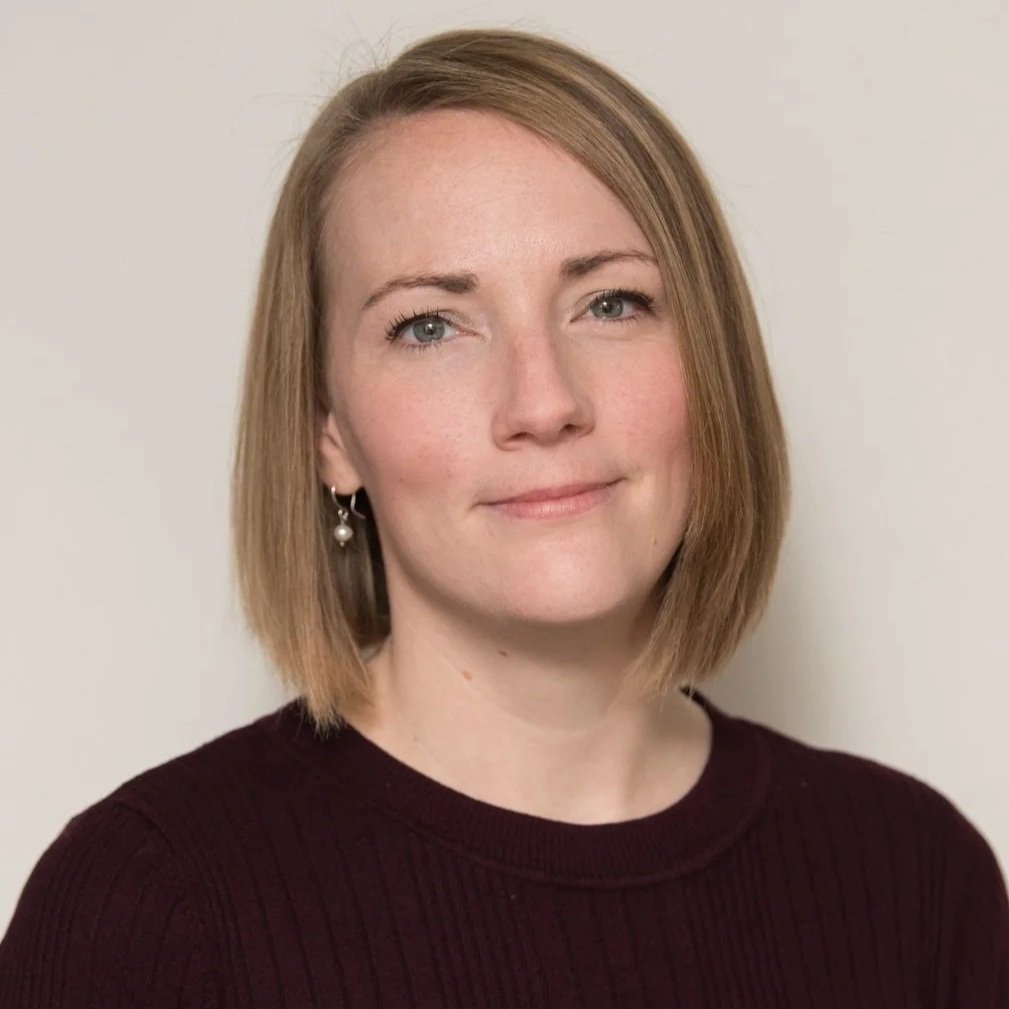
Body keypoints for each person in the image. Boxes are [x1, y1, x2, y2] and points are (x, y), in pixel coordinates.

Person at [1, 26, 1006, 1007]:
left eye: (610, 304)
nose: (541, 401)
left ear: (712, 361)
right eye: (429, 325)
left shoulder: (915, 880)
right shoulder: (151, 909)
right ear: (328, 429)